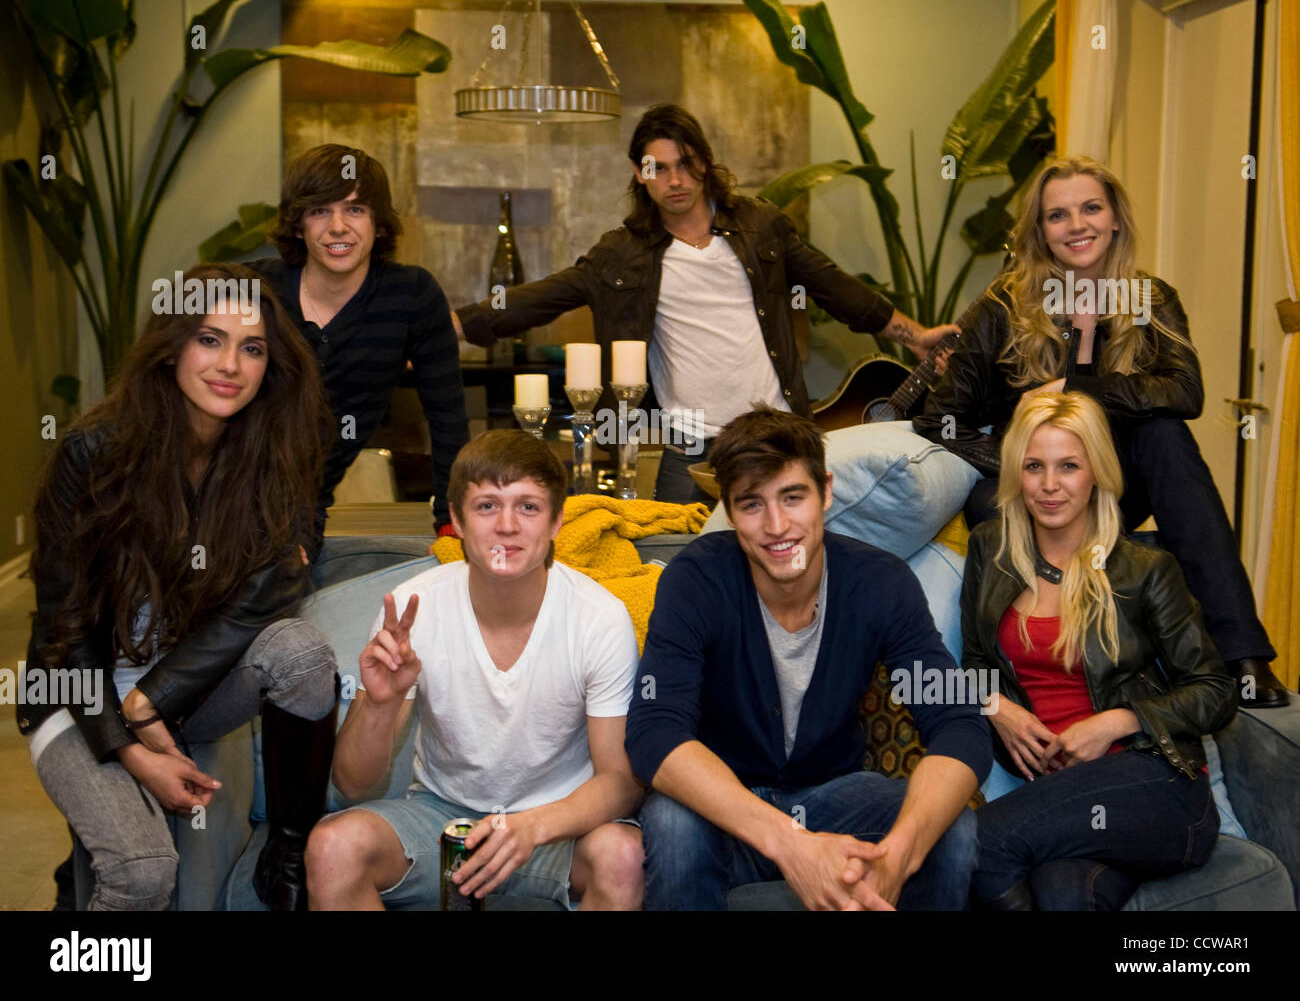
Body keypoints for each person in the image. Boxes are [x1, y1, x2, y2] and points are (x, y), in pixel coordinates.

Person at [19, 264, 339, 911]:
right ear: (171, 347)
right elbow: (62, 630)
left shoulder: (266, 452)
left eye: (252, 348)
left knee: (301, 651)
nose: (231, 365)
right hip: (75, 692)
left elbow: (274, 588)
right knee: (140, 875)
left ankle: (289, 848)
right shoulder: (93, 451)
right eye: (209, 339)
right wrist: (130, 746)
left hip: (185, 687)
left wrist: (152, 703)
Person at [915, 155, 1289, 707]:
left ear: (1115, 219)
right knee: (996, 501)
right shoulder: (1003, 306)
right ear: (1040, 230)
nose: (1077, 225)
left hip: (1112, 483)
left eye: (1091, 208)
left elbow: (1185, 393)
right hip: (1021, 489)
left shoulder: (1149, 299)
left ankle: (1242, 657)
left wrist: (1077, 389)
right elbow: (937, 421)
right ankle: (1031, 681)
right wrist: (1025, 461)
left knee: (1165, 435)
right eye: (1057, 215)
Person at [452, 104, 956, 503]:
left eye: (686, 166)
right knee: (671, 560)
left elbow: (835, 286)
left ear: (704, 163)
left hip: (775, 432)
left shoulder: (760, 227)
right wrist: (448, 325)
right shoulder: (622, 254)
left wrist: (916, 335)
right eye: (660, 169)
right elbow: (541, 297)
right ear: (639, 173)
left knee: (789, 555)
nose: (676, 181)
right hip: (688, 442)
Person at [624, 406, 989, 910]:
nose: (777, 526)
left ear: (826, 491)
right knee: (671, 820)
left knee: (953, 827)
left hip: (834, 797)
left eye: (793, 497)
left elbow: (958, 723)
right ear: (729, 513)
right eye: (752, 504)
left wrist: (902, 851)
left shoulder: (879, 583)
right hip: (724, 809)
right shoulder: (695, 580)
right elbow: (654, 733)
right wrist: (789, 844)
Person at [304, 431, 644, 910]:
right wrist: (379, 703)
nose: (507, 526)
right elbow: (352, 784)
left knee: (622, 854)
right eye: (487, 506)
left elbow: (621, 781)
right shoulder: (409, 609)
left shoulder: (600, 618)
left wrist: (532, 827)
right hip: (444, 818)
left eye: (527, 507)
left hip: (557, 827)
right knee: (332, 845)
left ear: (556, 522)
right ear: (458, 521)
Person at [963, 391, 1236, 910]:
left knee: (973, 841)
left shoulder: (1144, 569)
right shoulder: (990, 549)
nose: (1049, 486)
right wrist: (996, 707)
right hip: (1066, 796)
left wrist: (1116, 721)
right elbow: (975, 660)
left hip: (1156, 782)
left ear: (1096, 473)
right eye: (1033, 466)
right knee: (1064, 895)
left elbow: (1216, 691)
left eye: (1068, 466)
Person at [248, 143, 468, 559]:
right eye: (319, 211)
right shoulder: (255, 291)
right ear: (298, 225)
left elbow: (447, 418)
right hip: (211, 499)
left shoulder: (412, 296)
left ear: (378, 224)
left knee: (272, 600)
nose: (337, 227)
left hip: (298, 514)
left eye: (355, 209)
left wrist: (452, 522)